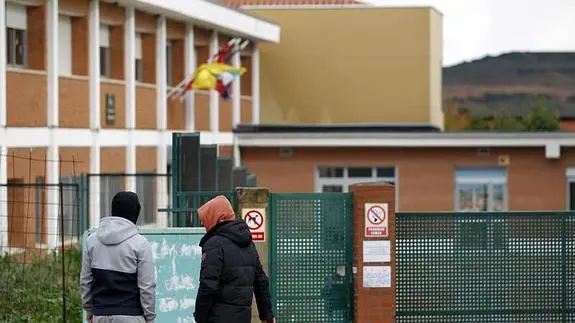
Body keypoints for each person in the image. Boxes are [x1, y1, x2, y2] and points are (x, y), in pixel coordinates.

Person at [194, 195, 274, 323]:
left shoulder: (214, 244)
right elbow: (261, 282)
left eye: (205, 220)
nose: (204, 225)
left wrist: (200, 317)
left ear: (215, 218)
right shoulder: (248, 243)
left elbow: (208, 286)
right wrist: (267, 316)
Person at [80, 191, 156, 323]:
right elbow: (147, 287)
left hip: (100, 315)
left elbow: (85, 281)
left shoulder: (92, 241)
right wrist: (149, 317)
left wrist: (90, 310)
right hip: (132, 315)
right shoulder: (140, 244)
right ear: (135, 213)